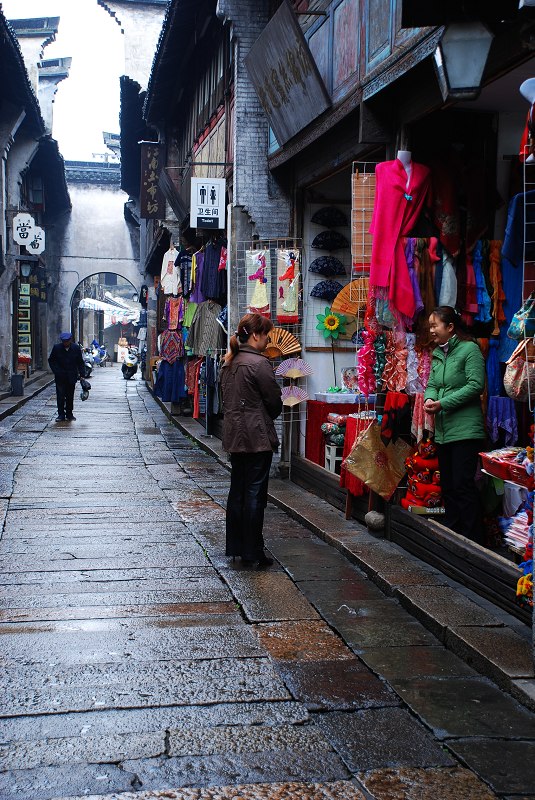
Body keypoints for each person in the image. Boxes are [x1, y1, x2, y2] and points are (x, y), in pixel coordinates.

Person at [220, 312, 282, 568]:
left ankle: (236, 545)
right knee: (255, 493)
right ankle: (252, 551)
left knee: (238, 491)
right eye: (266, 334)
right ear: (256, 335)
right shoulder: (259, 364)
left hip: (234, 434)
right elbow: (274, 401)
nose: (268, 340)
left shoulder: (229, 361)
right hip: (256, 437)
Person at [424, 306, 486, 544]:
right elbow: (431, 383)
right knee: (448, 486)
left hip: (465, 431)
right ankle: (453, 538)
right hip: (443, 430)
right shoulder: (438, 353)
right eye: (430, 325)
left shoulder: (469, 350)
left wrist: (443, 403)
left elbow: (475, 386)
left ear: (450, 327)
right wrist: (430, 398)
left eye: (434, 325)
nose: (431, 330)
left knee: (463, 486)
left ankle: (473, 542)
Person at [48, 332, 86, 422]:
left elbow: (80, 362)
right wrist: (56, 371)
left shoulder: (76, 348)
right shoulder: (57, 348)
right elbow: (51, 360)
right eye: (64, 341)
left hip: (71, 376)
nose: (65, 343)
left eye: (67, 341)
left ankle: (69, 413)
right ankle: (61, 414)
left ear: (70, 340)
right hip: (60, 376)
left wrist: (82, 375)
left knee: (70, 395)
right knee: (60, 395)